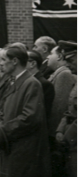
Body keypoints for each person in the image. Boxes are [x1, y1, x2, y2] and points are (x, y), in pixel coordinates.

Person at [0, 47, 51, 177]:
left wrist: (2, 130)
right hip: (11, 144)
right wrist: (0, 125)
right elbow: (2, 108)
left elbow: (30, 117)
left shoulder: (31, 83)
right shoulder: (13, 80)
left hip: (22, 147)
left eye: (3, 60)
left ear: (15, 61)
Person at [46, 45, 76, 175]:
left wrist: (60, 132)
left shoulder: (65, 74)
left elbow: (59, 106)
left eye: (73, 60)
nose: (48, 56)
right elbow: (68, 108)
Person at [27, 50, 55, 119]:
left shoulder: (44, 84)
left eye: (22, 62)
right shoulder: (27, 81)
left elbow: (43, 113)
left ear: (32, 64)